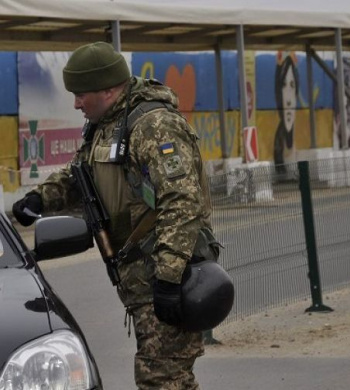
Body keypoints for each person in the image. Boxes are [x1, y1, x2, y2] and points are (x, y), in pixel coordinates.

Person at [13, 41, 214, 389]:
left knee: (160, 379)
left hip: (168, 277)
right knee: (171, 380)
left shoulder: (153, 126)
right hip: (141, 281)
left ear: (108, 89)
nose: (75, 103)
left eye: (81, 94)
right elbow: (82, 175)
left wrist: (168, 278)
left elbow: (182, 202)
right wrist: (39, 199)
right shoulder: (106, 125)